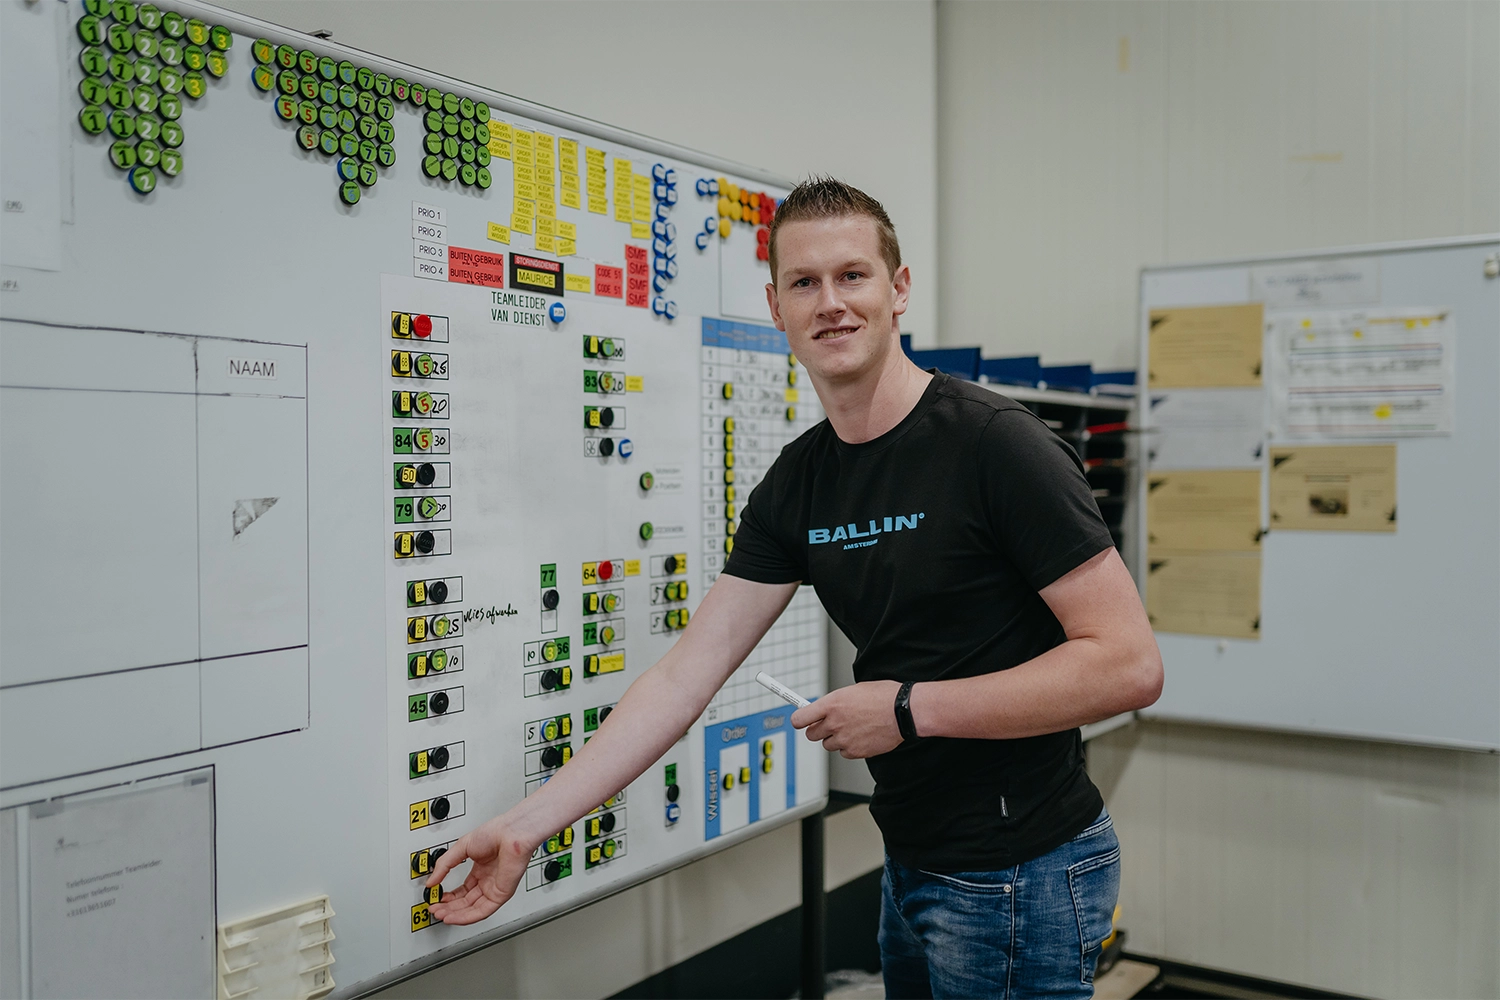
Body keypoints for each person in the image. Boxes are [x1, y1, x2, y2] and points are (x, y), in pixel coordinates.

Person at [427, 177, 1163, 999]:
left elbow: (1128, 665)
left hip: (1025, 870)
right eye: (805, 283)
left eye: (853, 276)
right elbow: (683, 677)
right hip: (912, 861)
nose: (831, 303)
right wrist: (524, 829)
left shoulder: (998, 447)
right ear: (776, 307)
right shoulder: (800, 482)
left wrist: (905, 710)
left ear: (898, 289)